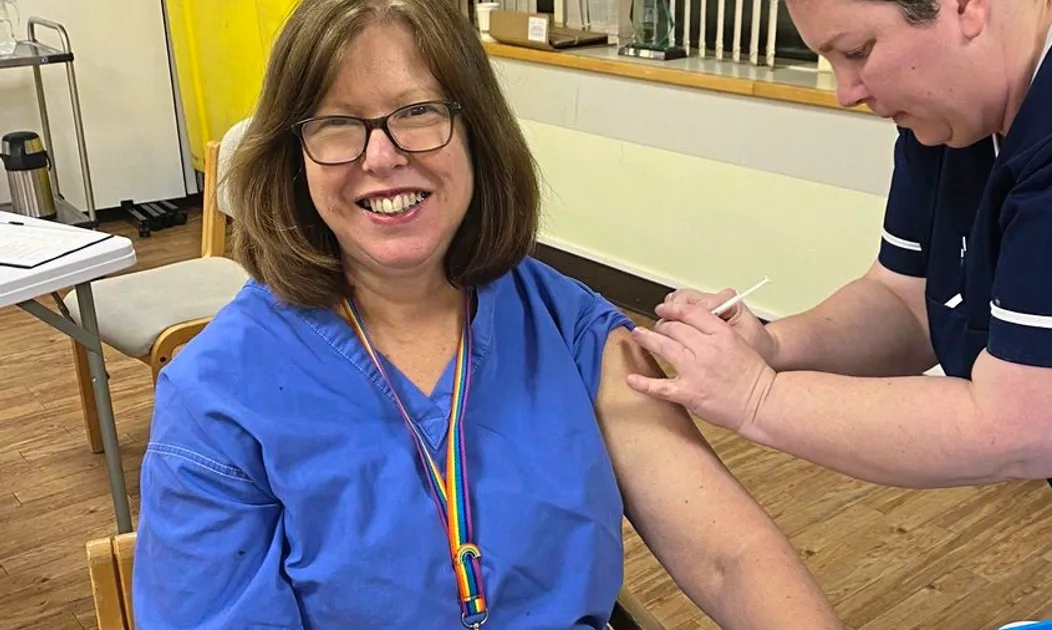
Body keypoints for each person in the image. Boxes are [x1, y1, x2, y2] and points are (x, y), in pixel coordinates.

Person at [130, 0, 842, 628]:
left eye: (418, 113)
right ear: (295, 158)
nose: (382, 157)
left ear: (477, 131)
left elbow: (733, 556)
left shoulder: (573, 332)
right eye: (338, 125)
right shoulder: (217, 395)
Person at [626, 0, 1052, 618]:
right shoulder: (954, 110)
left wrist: (758, 399)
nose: (845, 92)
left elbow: (1024, 425)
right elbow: (906, 300)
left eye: (858, 52)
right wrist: (775, 347)